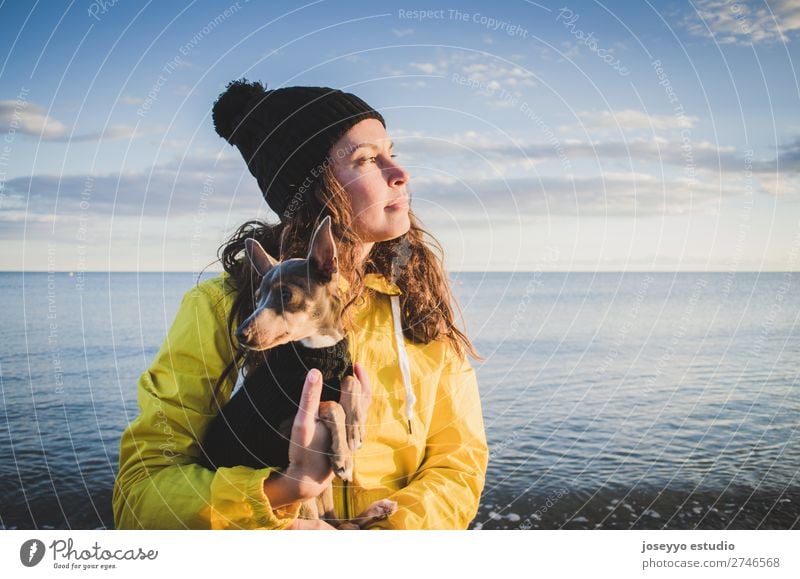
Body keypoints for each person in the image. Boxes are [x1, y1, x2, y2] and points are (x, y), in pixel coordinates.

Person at [112, 80, 488, 529]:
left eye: (392, 151)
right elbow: (140, 494)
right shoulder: (221, 308)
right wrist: (281, 496)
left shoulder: (418, 305)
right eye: (366, 159)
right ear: (312, 189)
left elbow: (459, 464)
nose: (399, 171)